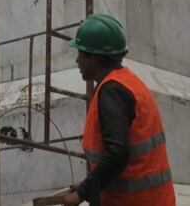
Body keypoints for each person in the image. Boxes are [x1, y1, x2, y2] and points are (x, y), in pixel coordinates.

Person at [62, 14, 175, 205]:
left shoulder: (112, 92)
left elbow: (117, 154)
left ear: (96, 58)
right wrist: (91, 183)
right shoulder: (126, 82)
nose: (77, 60)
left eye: (81, 53)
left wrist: (83, 192)